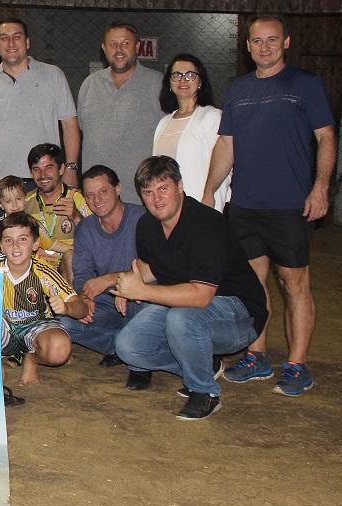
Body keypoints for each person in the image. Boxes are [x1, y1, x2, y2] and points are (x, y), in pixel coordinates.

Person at [205, 16, 337, 396]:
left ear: (286, 42)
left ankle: (297, 365)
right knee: (252, 283)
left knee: (294, 283)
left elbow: (326, 137)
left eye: (272, 40)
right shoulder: (238, 90)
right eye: (257, 41)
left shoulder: (305, 84)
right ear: (247, 47)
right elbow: (226, 144)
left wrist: (320, 188)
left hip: (289, 206)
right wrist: (210, 190)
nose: (264, 47)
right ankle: (257, 356)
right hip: (244, 205)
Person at [113, 156, 268, 419]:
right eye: (148, 192)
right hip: (190, 304)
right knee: (129, 346)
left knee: (181, 318)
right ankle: (203, 362)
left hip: (238, 313)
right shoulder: (148, 225)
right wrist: (124, 283)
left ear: (180, 186)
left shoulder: (207, 224)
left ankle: (205, 391)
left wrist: (141, 291)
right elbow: (152, 269)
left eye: (163, 189)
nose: (156, 199)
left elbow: (202, 296)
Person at [0, 18, 81, 208]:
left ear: (27, 42)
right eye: (4, 38)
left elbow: (70, 125)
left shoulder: (53, 75)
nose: (10, 43)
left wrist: (71, 168)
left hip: (44, 181)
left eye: (16, 37)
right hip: (1, 184)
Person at [0, 212, 91, 387]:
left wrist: (66, 308)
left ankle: (31, 359)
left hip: (36, 327)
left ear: (36, 243)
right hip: (2, 329)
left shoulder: (44, 273)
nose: (15, 246)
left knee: (60, 349)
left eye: (23, 239)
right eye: (8, 240)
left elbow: (82, 308)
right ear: (1, 246)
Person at [58, 165, 147, 381]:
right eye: (90, 194)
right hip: (107, 301)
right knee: (66, 322)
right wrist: (85, 298)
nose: (96, 199)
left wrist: (111, 279)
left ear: (118, 189)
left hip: (141, 299)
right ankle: (121, 348)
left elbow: (154, 268)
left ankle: (140, 365)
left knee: (141, 302)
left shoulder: (142, 219)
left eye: (103, 191)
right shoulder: (86, 228)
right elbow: (82, 274)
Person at [77, 21, 164, 204]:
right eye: (112, 44)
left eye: (125, 43)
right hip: (96, 200)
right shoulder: (90, 84)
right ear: (104, 48)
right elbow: (82, 128)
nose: (119, 49)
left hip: (141, 198)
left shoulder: (158, 84)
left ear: (138, 46)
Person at [155, 53, 229, 207]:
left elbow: (223, 167)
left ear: (200, 82)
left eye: (190, 75)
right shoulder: (163, 123)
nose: (183, 80)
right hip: (168, 210)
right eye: (176, 75)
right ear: (169, 83)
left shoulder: (212, 117)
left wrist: (210, 197)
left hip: (202, 206)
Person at [24, 143, 90, 282]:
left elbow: (97, 240)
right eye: (37, 169)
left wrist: (77, 217)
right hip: (36, 268)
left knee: (71, 256)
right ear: (31, 173)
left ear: (61, 169)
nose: (43, 175)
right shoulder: (25, 202)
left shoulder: (79, 199)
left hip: (69, 267)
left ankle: (74, 303)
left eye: (49, 168)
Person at [0, 175, 29, 251]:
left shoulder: (33, 223)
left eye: (18, 199)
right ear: (0, 205)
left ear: (25, 199)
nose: (15, 205)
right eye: (8, 201)